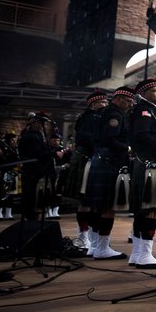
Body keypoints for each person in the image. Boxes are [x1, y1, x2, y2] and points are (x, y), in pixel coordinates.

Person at [85, 87, 136, 260]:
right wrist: (128, 148)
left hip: (100, 160)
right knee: (108, 207)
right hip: (110, 163)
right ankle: (102, 248)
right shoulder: (115, 115)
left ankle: (95, 246)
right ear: (118, 99)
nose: (130, 105)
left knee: (98, 206)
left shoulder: (105, 113)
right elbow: (111, 139)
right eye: (128, 101)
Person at [127, 78, 156, 269]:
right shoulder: (145, 111)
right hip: (150, 163)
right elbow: (142, 135)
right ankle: (144, 254)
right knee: (153, 207)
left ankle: (137, 253)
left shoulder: (144, 110)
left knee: (141, 210)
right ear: (143, 93)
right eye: (154, 91)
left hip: (143, 162)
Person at [62, 90, 108, 251]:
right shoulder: (89, 118)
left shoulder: (99, 118)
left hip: (93, 160)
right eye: (102, 102)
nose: (106, 104)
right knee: (85, 200)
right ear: (93, 104)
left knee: (92, 201)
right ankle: (82, 235)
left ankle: (92, 237)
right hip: (86, 160)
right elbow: (87, 139)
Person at [16, 112, 57, 222]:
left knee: (36, 200)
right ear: (36, 123)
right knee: (33, 200)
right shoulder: (32, 136)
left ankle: (34, 220)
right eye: (42, 123)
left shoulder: (36, 134)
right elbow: (36, 154)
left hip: (35, 172)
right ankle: (32, 222)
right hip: (33, 173)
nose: (44, 126)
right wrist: (50, 154)